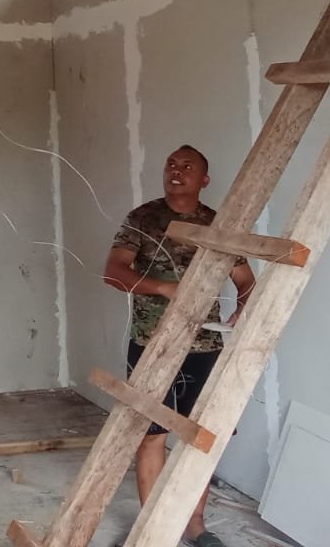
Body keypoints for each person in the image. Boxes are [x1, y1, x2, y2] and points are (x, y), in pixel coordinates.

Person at [103, 145, 255, 547]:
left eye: (188, 166)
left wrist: (241, 311)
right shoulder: (143, 218)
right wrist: (162, 288)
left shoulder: (219, 225)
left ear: (204, 180)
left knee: (199, 437)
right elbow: (114, 272)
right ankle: (154, 530)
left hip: (204, 347)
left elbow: (246, 281)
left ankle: (195, 527)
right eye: (171, 163)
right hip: (151, 344)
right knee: (151, 434)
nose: (177, 170)